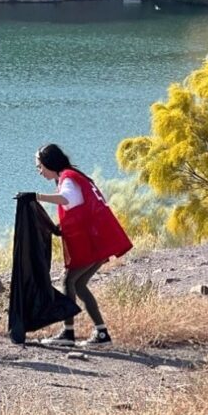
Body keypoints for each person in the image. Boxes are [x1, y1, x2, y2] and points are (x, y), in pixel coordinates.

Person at [23, 144, 132, 348]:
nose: (39, 171)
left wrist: (36, 196)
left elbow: (67, 199)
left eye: (39, 166)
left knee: (68, 281)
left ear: (49, 162)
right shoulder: (72, 177)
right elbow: (77, 207)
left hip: (93, 243)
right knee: (79, 284)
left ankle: (68, 333)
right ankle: (101, 334)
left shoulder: (68, 178)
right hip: (98, 241)